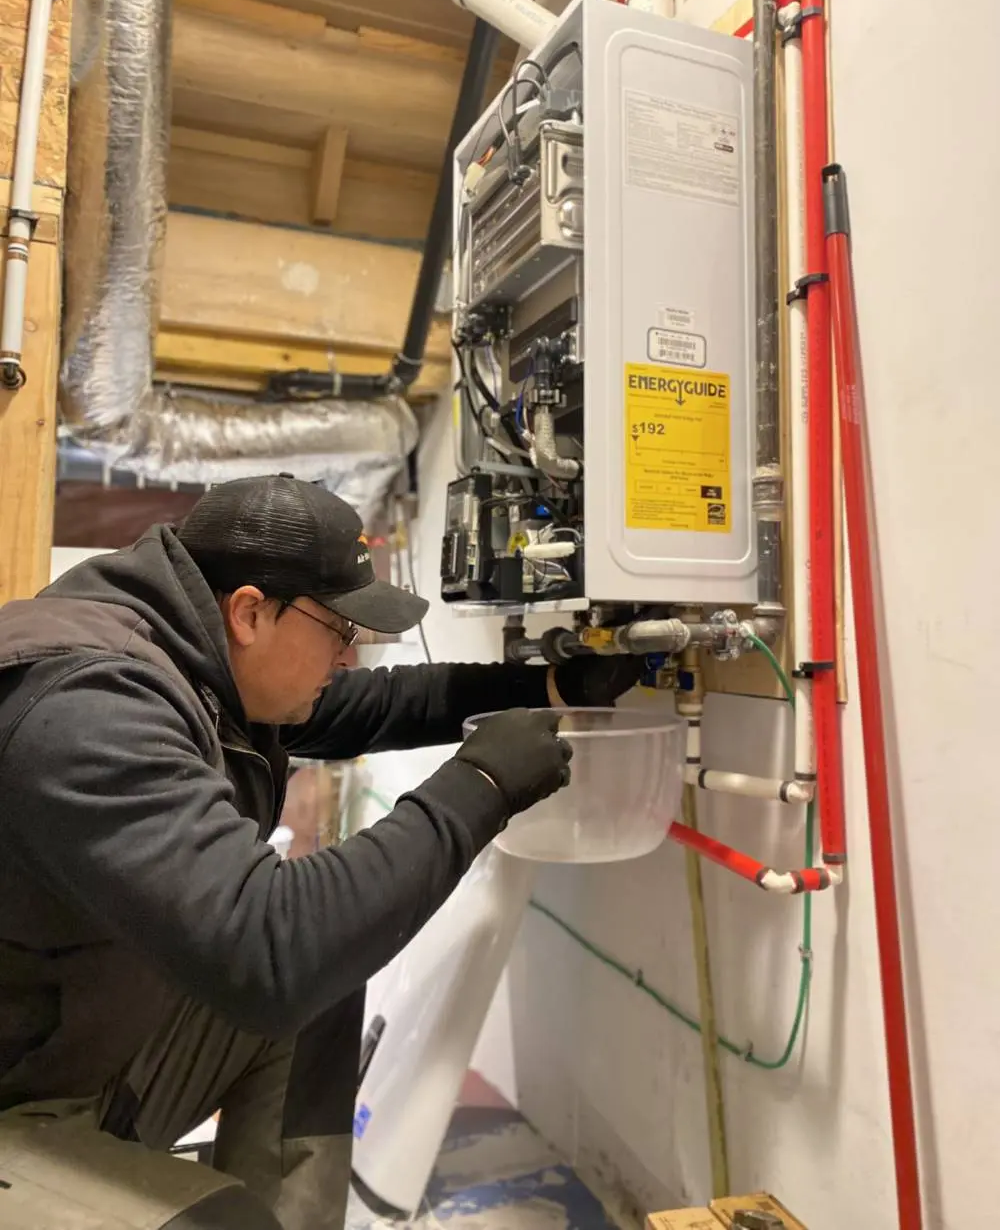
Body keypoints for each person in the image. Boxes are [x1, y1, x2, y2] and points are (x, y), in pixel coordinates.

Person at [0, 475, 640, 1230]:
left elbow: (364, 705)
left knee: (325, 985)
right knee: (227, 1217)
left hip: (74, 1049)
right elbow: (269, 947)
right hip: (19, 1101)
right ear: (249, 612)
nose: (347, 655)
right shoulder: (88, 707)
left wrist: (551, 684)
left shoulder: (194, 658)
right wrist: (484, 784)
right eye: (339, 630)